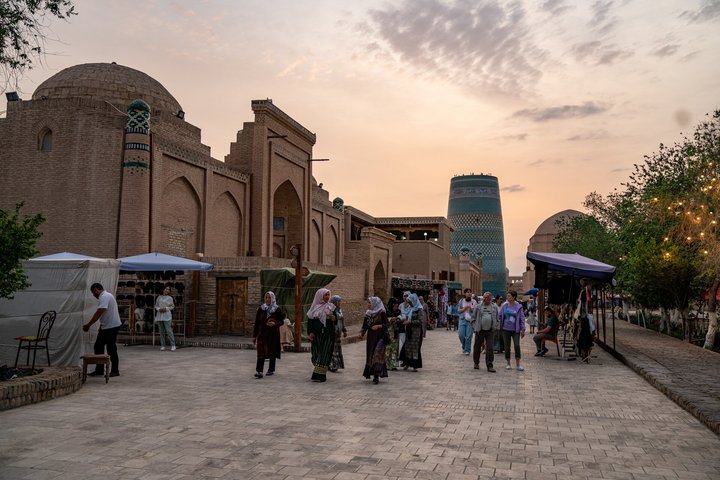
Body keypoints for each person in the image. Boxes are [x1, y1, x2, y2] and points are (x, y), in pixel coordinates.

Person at [82, 283, 121, 377]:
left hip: (111, 326)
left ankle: (115, 370)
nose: (93, 295)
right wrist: (101, 327)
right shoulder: (105, 296)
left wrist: (88, 325)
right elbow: (104, 315)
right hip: (106, 326)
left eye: (93, 293)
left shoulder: (105, 296)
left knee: (111, 348)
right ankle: (99, 369)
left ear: (96, 290)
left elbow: (99, 312)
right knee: (98, 346)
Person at [306, 288, 336, 382]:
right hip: (317, 335)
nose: (327, 297)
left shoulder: (331, 307)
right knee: (316, 354)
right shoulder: (314, 308)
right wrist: (310, 332)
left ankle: (320, 375)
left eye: (328, 295)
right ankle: (317, 373)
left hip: (328, 335)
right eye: (325, 295)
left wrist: (334, 319)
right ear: (320, 296)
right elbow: (310, 321)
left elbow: (336, 321)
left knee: (324, 354)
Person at [253, 291, 285, 378]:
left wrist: (275, 324)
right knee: (261, 351)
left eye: (269, 297)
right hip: (262, 334)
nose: (267, 299)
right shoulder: (261, 309)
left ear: (273, 298)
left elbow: (281, 321)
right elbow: (257, 323)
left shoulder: (277, 309)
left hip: (273, 334)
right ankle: (259, 371)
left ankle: (271, 369)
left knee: (272, 351)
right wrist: (254, 335)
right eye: (266, 297)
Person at [360, 296, 389, 384]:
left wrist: (379, 326)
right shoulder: (368, 313)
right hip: (371, 337)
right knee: (371, 354)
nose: (368, 305)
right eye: (368, 303)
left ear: (375, 303)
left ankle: (377, 375)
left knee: (377, 354)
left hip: (380, 337)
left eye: (370, 303)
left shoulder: (382, 312)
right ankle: (372, 373)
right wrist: (361, 333)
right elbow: (365, 325)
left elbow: (387, 325)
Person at [499, 290, 526, 371]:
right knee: (507, 347)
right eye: (507, 296)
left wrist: (523, 329)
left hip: (515, 330)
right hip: (505, 329)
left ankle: (518, 364)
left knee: (517, 345)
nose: (508, 297)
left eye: (509, 296)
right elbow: (500, 316)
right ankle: (508, 363)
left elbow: (522, 318)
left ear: (514, 297)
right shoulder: (504, 306)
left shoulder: (519, 306)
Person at [471, 292, 498, 372]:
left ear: (490, 298)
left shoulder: (494, 307)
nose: (485, 299)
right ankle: (476, 363)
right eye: (484, 298)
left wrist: (496, 326)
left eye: (487, 298)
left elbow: (497, 318)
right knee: (477, 347)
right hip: (480, 330)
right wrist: (475, 327)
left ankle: (489, 365)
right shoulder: (478, 307)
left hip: (490, 330)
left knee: (490, 348)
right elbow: (473, 318)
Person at [398, 293, 424, 371]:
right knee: (407, 346)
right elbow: (404, 315)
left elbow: (420, 321)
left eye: (410, 302)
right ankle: (407, 363)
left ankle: (415, 365)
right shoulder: (410, 308)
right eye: (408, 302)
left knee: (415, 348)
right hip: (409, 330)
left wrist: (410, 322)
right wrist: (401, 319)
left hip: (416, 332)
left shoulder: (419, 309)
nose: (409, 303)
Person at [328, 295, 347, 372]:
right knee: (332, 349)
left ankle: (337, 364)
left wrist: (344, 330)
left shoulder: (339, 310)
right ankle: (332, 365)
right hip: (332, 333)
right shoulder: (331, 310)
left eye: (339, 301)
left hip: (338, 333)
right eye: (338, 301)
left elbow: (342, 321)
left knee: (337, 349)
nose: (339, 303)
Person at [155, 285, 176, 351]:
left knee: (169, 331)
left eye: (168, 289)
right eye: (166, 289)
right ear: (163, 289)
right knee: (161, 331)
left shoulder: (170, 298)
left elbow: (172, 306)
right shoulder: (159, 297)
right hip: (160, 316)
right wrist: (159, 309)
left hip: (167, 316)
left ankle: (173, 345)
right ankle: (163, 345)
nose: (167, 290)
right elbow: (156, 306)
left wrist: (166, 308)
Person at [457, 288, 477, 355]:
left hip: (470, 321)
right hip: (462, 320)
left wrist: (471, 309)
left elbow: (476, 312)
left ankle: (467, 350)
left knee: (469, 336)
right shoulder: (461, 301)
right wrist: (464, 308)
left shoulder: (474, 302)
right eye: (467, 292)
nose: (469, 293)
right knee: (461, 335)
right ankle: (464, 346)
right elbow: (458, 311)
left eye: (470, 292)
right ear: (465, 294)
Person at [386, 298, 402, 370]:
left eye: (397, 306)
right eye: (395, 306)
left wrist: (398, 320)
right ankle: (387, 365)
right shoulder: (387, 312)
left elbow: (401, 320)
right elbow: (384, 322)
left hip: (395, 333)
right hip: (388, 334)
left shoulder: (399, 312)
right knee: (387, 349)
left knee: (395, 350)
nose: (396, 308)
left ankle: (394, 365)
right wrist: (391, 319)